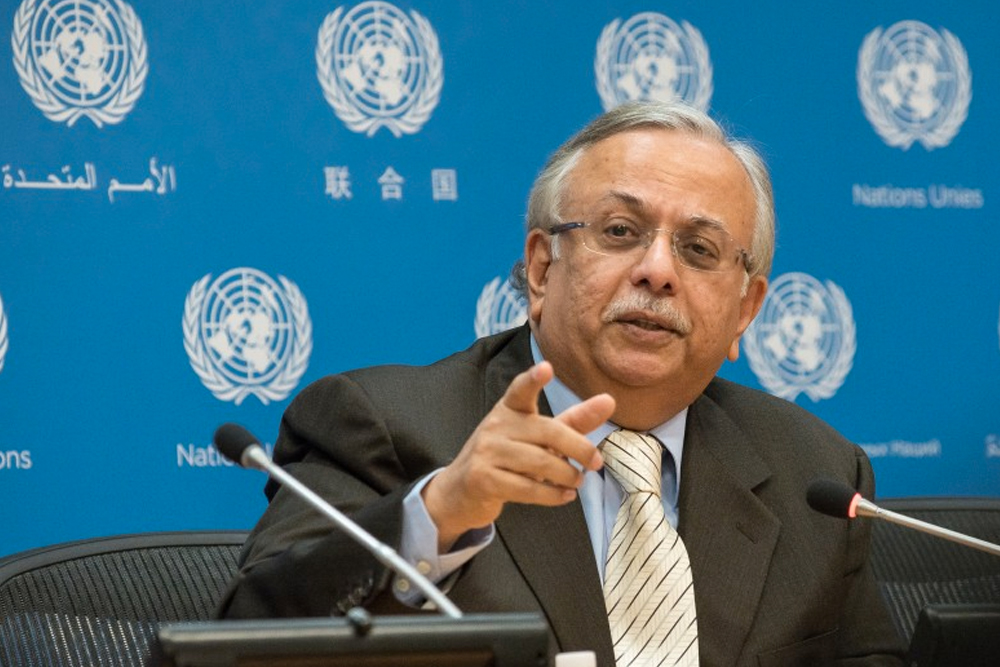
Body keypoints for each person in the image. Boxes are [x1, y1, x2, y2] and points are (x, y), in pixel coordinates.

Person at [218, 101, 906, 666]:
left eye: (698, 249)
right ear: (543, 269)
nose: (658, 271)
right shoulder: (383, 424)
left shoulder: (815, 472)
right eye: (621, 230)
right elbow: (242, 644)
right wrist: (443, 509)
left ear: (745, 311)